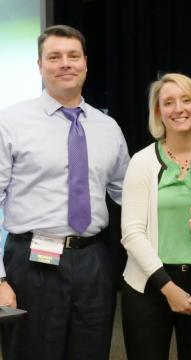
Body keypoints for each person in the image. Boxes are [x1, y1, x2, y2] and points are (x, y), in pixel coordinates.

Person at [0, 25, 130, 359]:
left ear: (85, 63)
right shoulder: (10, 122)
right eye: (54, 57)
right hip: (31, 264)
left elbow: (127, 194)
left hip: (93, 262)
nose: (65, 64)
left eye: (73, 56)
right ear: (40, 65)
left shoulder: (107, 127)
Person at [120, 73, 191, 360]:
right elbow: (131, 233)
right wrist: (168, 288)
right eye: (168, 102)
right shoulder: (142, 162)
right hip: (149, 285)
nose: (179, 108)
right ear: (159, 112)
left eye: (186, 100)